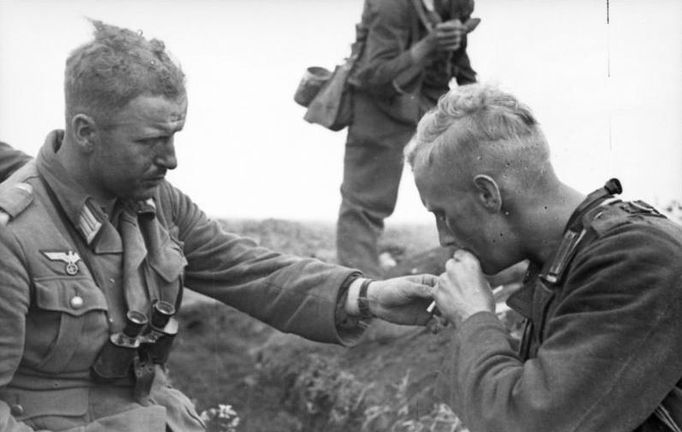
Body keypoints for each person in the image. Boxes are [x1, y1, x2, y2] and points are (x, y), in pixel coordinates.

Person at [0, 21, 438, 432]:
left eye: (175, 136)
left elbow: (249, 269)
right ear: (85, 132)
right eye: (151, 141)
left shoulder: (156, 202)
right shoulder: (13, 235)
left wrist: (370, 296)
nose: (171, 159)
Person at [405, 83, 682, 432]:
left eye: (443, 214)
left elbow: (529, 424)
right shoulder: (575, 257)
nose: (444, 237)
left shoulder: (636, 259)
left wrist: (472, 316)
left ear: (488, 194)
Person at [337, 0, 478, 278]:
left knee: (457, 194)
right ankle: (358, 297)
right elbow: (373, 75)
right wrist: (428, 46)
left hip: (427, 103)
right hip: (378, 107)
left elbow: (459, 62)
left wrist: (482, 100)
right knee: (365, 206)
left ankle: (466, 280)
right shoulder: (390, 5)